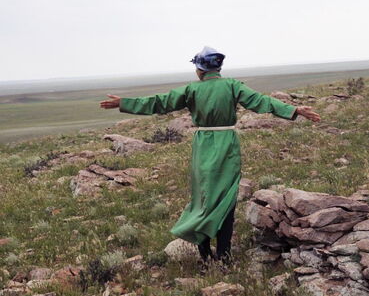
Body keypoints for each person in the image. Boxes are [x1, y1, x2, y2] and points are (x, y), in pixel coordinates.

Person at [100, 46, 320, 268]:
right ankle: (224, 257)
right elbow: (261, 101)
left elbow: (159, 102)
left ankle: (205, 256)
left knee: (203, 199)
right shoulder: (233, 86)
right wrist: (294, 110)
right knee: (226, 199)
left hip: (203, 146)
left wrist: (124, 103)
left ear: (199, 69)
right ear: (218, 68)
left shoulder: (191, 90)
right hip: (227, 146)